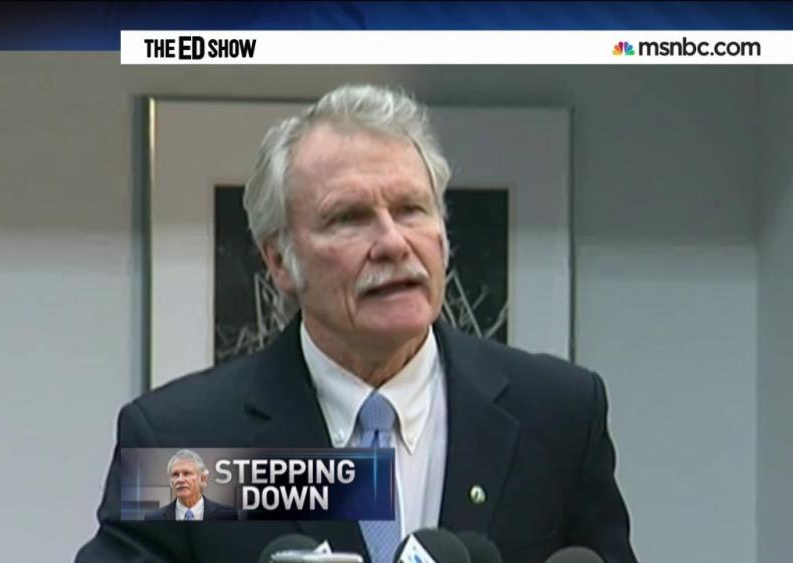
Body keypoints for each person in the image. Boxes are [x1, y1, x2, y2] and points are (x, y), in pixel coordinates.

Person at [77, 84, 638, 563]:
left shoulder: (558, 414)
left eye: (412, 209)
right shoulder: (184, 443)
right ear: (279, 262)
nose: (393, 242)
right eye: (348, 218)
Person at [143, 450, 238, 522]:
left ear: (203, 479)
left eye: (187, 473)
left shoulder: (227, 516)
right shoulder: (153, 519)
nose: (180, 480)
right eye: (175, 474)